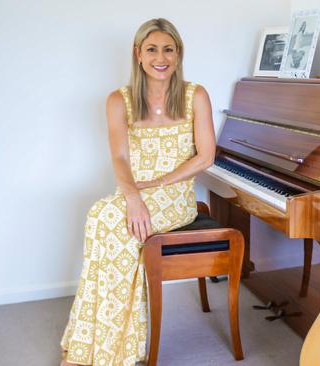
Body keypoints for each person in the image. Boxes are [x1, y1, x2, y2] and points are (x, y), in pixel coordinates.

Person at [59, 18, 215, 366]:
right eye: (152, 49)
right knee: (100, 217)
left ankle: (113, 354)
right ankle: (92, 346)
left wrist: (157, 185)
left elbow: (206, 156)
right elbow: (118, 157)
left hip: (175, 198)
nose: (161, 57)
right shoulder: (119, 100)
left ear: (179, 53)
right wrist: (132, 196)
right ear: (138, 54)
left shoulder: (195, 95)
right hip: (135, 193)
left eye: (168, 49)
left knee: (115, 225)